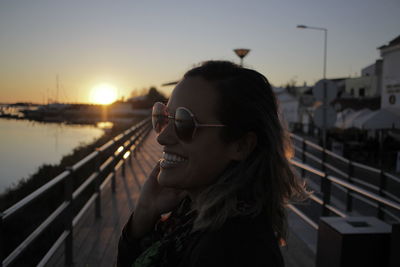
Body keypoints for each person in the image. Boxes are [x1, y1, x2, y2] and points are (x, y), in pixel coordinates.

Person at [117, 60, 308, 267]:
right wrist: (144, 213)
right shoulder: (191, 211)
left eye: (184, 122)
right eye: (163, 117)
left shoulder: (235, 249)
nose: (162, 138)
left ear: (241, 145)